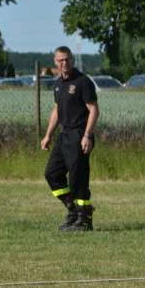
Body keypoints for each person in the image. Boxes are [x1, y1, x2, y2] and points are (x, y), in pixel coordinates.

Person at [40, 46, 99, 231]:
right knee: (52, 174)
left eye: (67, 59)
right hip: (64, 136)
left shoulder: (83, 82)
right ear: (55, 63)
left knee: (77, 179)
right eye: (60, 60)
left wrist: (87, 135)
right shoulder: (58, 84)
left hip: (80, 134)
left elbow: (94, 110)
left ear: (72, 60)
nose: (64, 63)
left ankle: (84, 220)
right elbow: (57, 109)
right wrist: (48, 135)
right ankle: (73, 210)